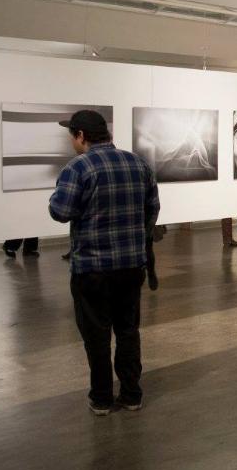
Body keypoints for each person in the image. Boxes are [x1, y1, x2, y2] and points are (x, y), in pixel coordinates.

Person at [49, 110, 159, 415]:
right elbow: (153, 209)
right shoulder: (138, 163)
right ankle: (132, 394)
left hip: (92, 269)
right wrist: (135, 238)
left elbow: (60, 211)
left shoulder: (78, 168)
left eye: (72, 135)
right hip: (130, 267)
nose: (72, 141)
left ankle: (101, 398)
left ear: (81, 136)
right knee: (127, 330)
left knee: (96, 335)